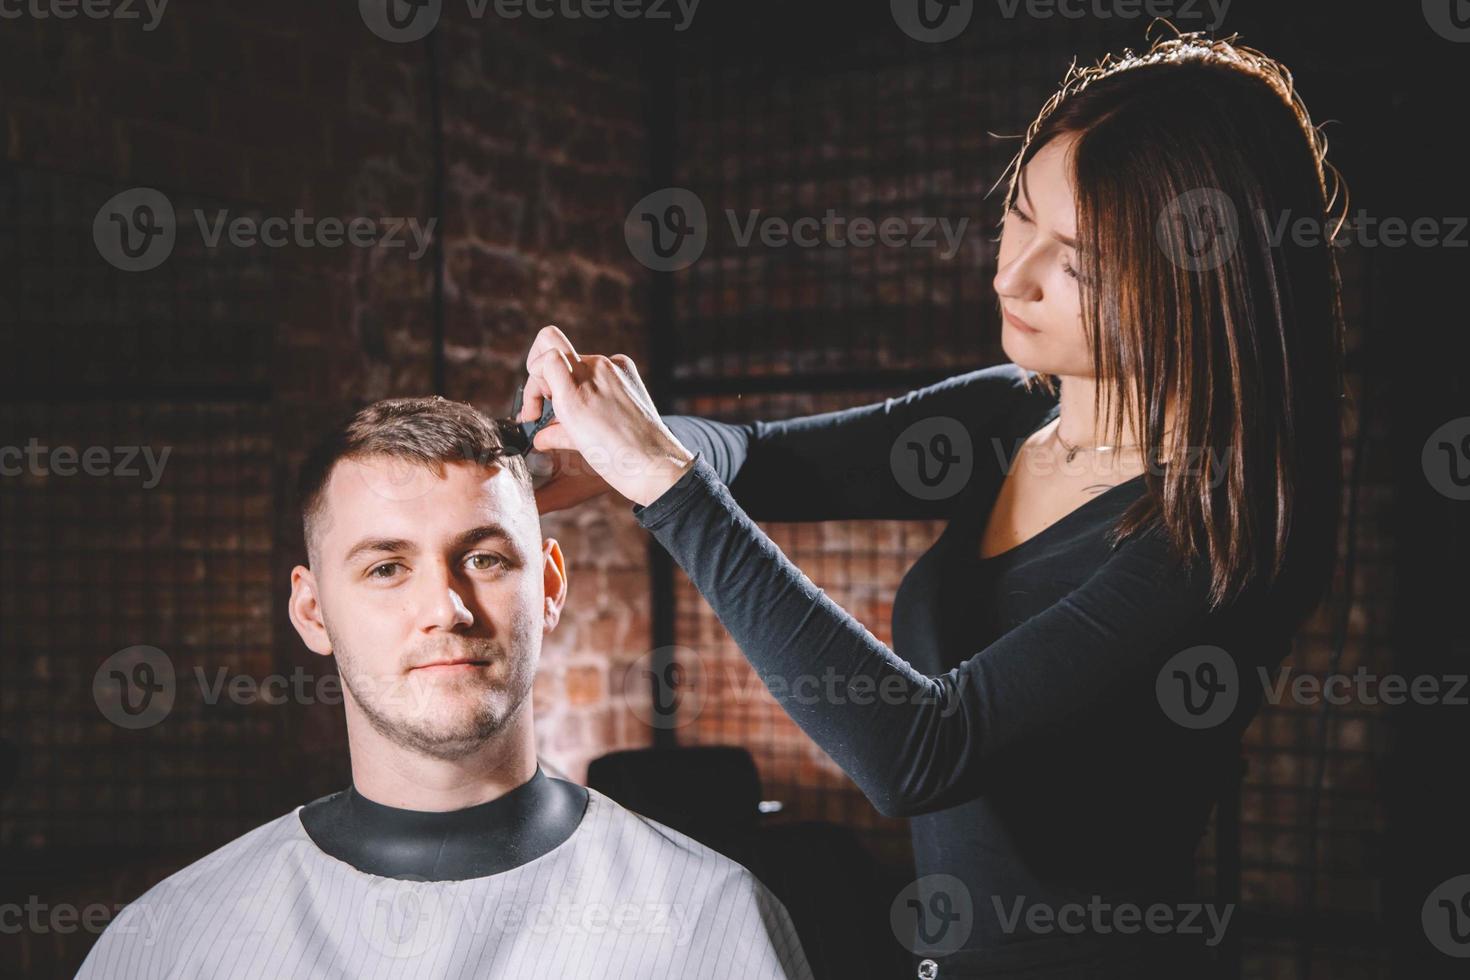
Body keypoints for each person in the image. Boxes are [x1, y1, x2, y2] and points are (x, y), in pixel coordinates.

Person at [512, 28, 1346, 980]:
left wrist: (665, 480)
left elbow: (918, 749)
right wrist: (618, 448)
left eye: (1074, 262)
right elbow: (754, 457)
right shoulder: (1007, 415)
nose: (1011, 273)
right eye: (1019, 215)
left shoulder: (1212, 541)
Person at [76, 396, 813, 980]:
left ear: (550, 586)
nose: (446, 609)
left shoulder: (707, 923)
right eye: (387, 568)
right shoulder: (173, 940)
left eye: (486, 559)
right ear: (312, 611)